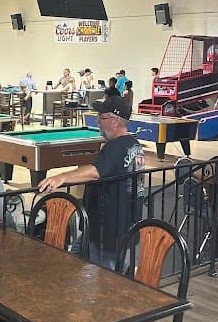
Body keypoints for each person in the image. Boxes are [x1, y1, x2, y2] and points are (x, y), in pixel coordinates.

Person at [38, 96, 144, 269]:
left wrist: (61, 177)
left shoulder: (116, 146)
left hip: (108, 231)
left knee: (105, 281)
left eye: (102, 117)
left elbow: (96, 172)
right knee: (72, 264)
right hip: (119, 228)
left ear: (115, 122)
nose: (98, 122)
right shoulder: (134, 144)